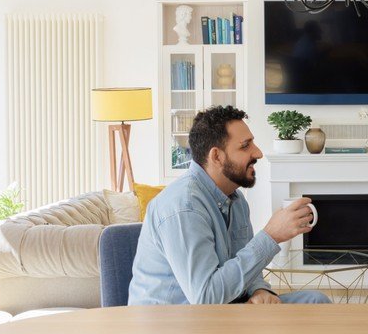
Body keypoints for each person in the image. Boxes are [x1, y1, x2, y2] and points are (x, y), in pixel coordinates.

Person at [129, 105, 330, 305]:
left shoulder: (236, 199)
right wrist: (271, 236)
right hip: (177, 320)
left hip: (223, 310)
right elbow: (206, 298)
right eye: (245, 146)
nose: (258, 153)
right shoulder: (184, 207)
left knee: (315, 301)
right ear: (217, 156)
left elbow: (243, 266)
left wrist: (258, 289)